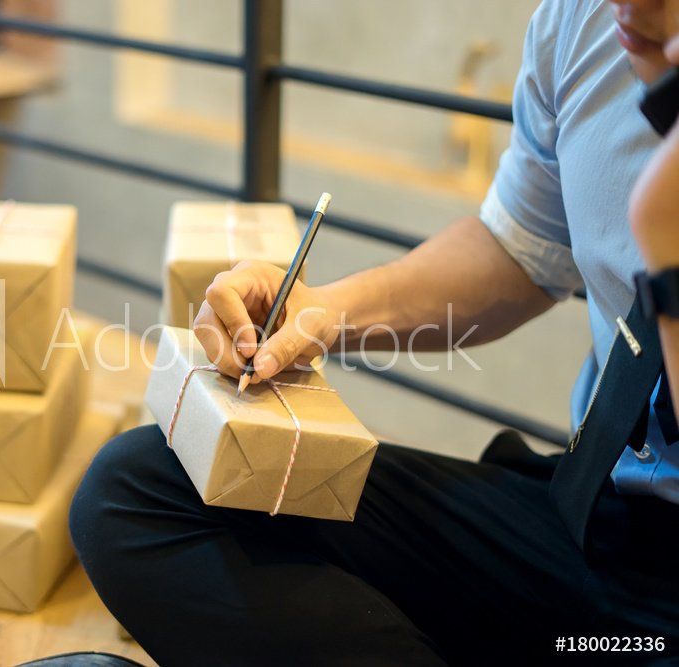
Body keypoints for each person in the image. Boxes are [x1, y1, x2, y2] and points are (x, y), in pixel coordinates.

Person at [69, 1, 679, 664]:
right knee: (133, 491)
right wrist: (322, 312)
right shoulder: (584, 18)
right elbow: (522, 248)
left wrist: (667, 240)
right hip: (590, 513)